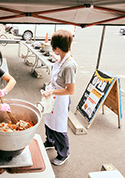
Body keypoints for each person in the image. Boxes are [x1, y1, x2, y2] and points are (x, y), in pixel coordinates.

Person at [42, 30, 77, 166]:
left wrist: (52, 93)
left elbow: (71, 90)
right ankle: (50, 142)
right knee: (48, 120)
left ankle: (63, 154)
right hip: (53, 96)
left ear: (57, 48)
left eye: (53, 47)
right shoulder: (62, 59)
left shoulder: (69, 65)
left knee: (59, 126)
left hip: (60, 99)